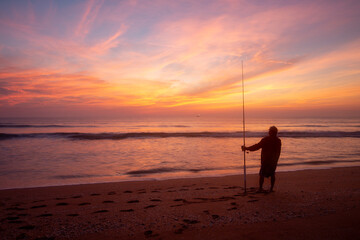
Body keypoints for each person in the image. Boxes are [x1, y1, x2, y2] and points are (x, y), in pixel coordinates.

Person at [242, 126, 281, 192]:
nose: (269, 132)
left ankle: (261, 188)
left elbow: (257, 146)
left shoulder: (266, 139)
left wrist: (247, 148)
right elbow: (278, 152)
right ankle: (270, 189)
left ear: (271, 132)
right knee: (272, 174)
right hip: (273, 160)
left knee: (262, 174)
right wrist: (276, 159)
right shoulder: (278, 141)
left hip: (266, 160)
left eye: (270, 131)